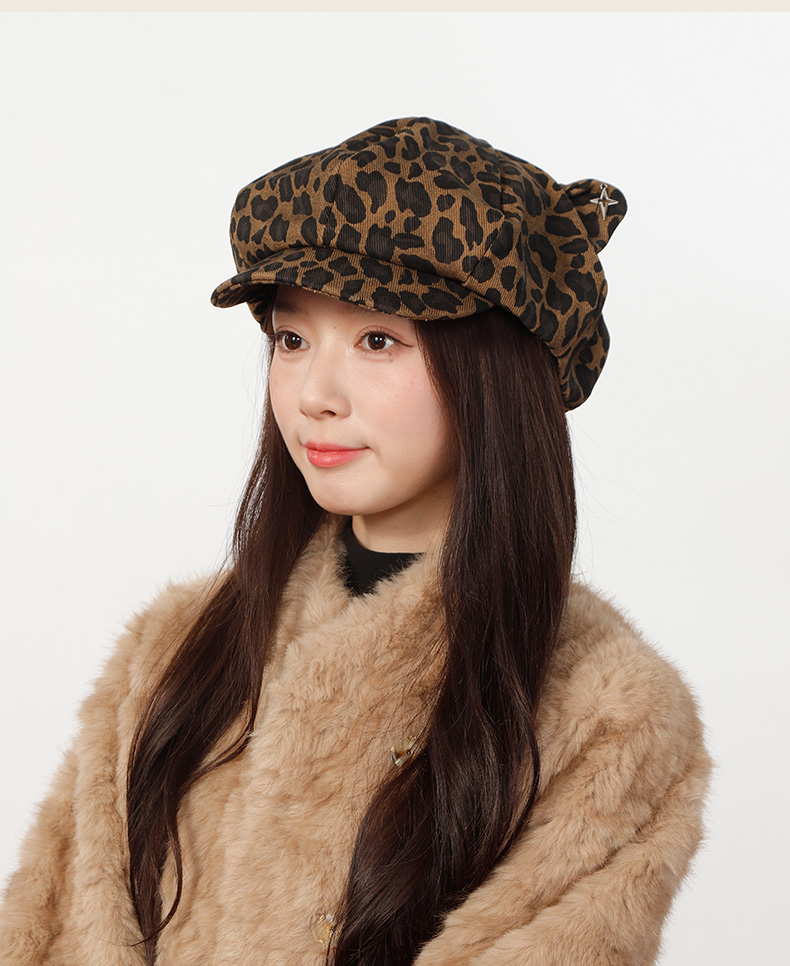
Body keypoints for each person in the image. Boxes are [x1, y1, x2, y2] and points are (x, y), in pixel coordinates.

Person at [0, 116, 711, 966]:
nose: (314, 394)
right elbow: (53, 933)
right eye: (292, 339)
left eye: (378, 340)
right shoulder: (173, 650)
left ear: (493, 372)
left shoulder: (610, 712)